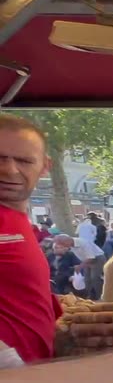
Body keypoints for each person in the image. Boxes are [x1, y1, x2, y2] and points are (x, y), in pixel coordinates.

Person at [0, 115, 62, 363]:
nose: (10, 169)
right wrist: (6, 361)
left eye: (24, 161)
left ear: (45, 166)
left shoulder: (17, 220)